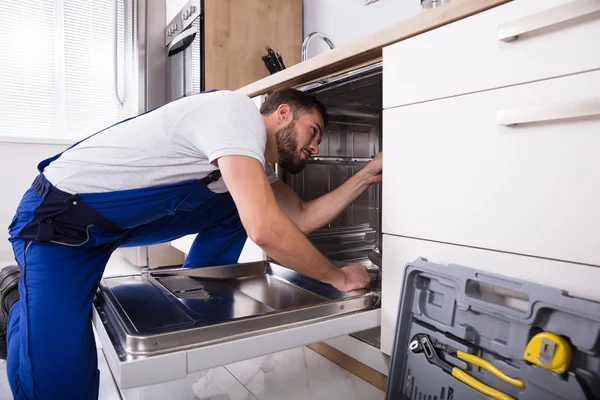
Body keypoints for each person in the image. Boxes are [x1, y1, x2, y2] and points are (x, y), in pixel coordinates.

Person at [0, 88, 382, 399]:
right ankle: (18, 300)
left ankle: (193, 298)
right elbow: (265, 229)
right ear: (283, 113)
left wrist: (366, 175)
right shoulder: (235, 114)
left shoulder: (253, 165)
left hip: (117, 227)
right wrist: (339, 278)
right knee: (60, 391)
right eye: (312, 131)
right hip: (58, 225)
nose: (314, 146)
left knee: (243, 203)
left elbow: (298, 217)